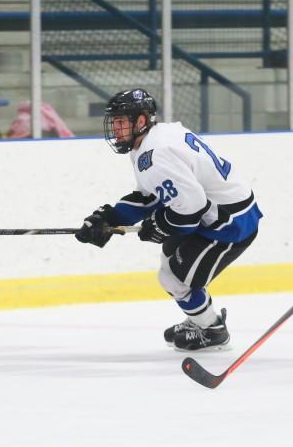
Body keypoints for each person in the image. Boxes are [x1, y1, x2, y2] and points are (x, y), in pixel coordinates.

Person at [75, 89, 263, 351]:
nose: (115, 129)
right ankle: (200, 318)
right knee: (170, 255)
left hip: (229, 224)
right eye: (114, 122)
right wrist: (111, 217)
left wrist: (160, 225)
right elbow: (152, 196)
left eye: (121, 122)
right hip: (219, 212)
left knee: (173, 278)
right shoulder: (153, 140)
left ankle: (212, 329)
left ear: (141, 121)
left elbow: (192, 206)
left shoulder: (156, 152)